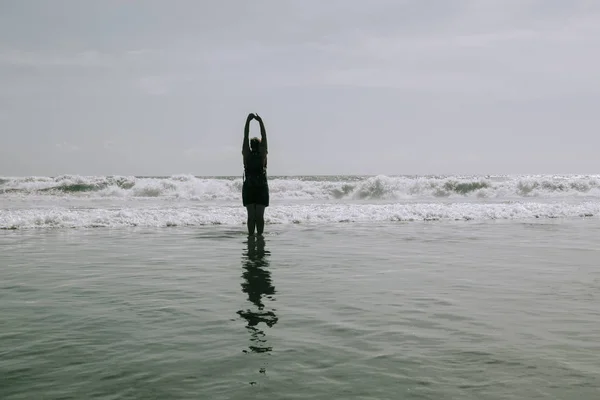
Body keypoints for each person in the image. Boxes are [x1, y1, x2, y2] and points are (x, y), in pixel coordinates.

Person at [242, 112, 269, 236]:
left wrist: (248, 121)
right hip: (261, 186)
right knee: (259, 217)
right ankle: (259, 238)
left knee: (251, 217)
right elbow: (264, 136)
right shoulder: (263, 153)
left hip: (249, 186)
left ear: (251, 146)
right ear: (260, 144)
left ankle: (251, 238)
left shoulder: (246, 153)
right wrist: (260, 122)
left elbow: (245, 136)